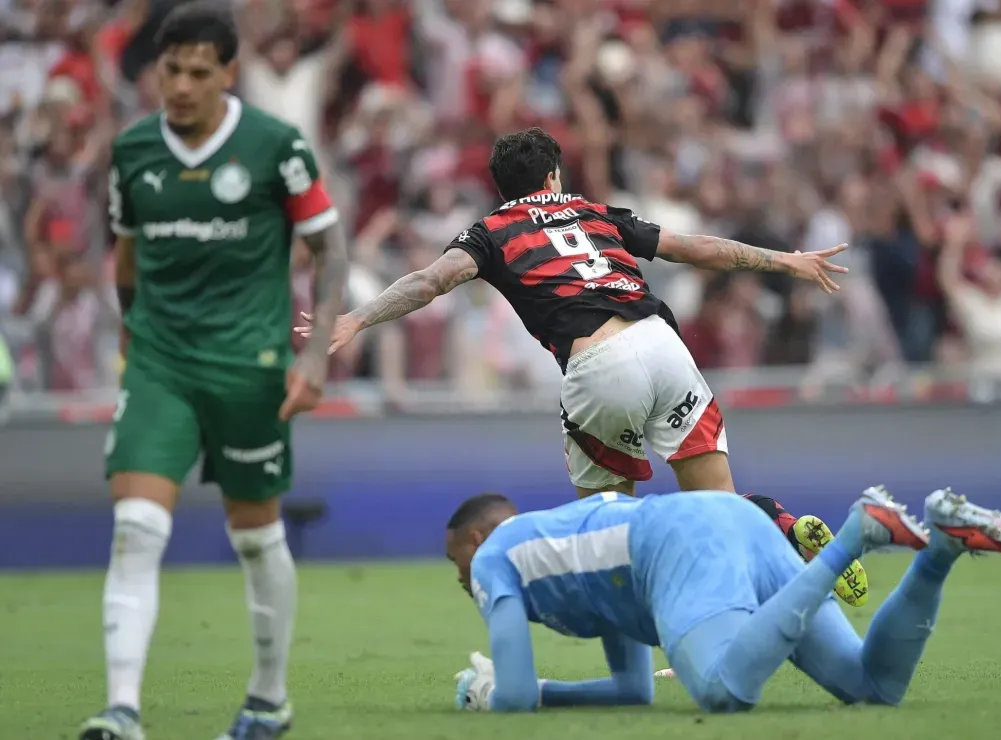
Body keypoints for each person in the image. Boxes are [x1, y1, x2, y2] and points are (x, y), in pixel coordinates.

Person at [295, 127, 866, 604]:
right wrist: (787, 260)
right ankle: (776, 524)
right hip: (664, 346)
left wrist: (355, 321)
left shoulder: (490, 232)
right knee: (718, 513)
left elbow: (431, 281)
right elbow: (697, 248)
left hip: (600, 366)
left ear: (503, 189)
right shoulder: (594, 213)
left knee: (610, 535)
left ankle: (643, 660)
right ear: (552, 179)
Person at [81, 4, 348, 740]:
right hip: (161, 365)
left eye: (201, 71)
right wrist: (134, 341)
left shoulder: (275, 147)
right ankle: (122, 710)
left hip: (250, 367)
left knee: (256, 537)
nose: (184, 85)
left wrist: (314, 353)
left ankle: (268, 698)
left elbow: (331, 251)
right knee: (135, 528)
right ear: (158, 70)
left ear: (229, 73)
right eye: (173, 70)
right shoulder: (133, 151)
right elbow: (126, 256)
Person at [445, 486, 1001, 714]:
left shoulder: (495, 557)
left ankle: (856, 532)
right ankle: (940, 550)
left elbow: (515, 697)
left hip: (674, 543)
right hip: (726, 518)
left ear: (476, 539)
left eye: (455, 562)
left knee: (723, 689)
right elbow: (634, 690)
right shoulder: (558, 553)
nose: (459, 578)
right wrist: (546, 692)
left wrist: (492, 691)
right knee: (872, 686)